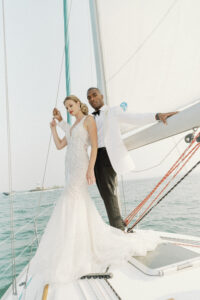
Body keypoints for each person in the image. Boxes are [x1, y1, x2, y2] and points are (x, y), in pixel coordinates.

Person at [28, 95, 160, 297]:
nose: (69, 109)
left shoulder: (88, 120)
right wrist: (54, 127)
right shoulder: (72, 126)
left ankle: (74, 246)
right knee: (76, 203)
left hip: (82, 165)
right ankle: (75, 243)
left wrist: (90, 170)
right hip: (70, 166)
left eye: (71, 105)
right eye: (66, 107)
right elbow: (59, 145)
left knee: (69, 200)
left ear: (79, 104)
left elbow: (95, 147)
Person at [57, 88, 177, 231]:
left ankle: (119, 230)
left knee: (109, 195)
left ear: (101, 96)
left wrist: (157, 116)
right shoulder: (89, 118)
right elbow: (75, 134)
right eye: (89, 97)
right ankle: (119, 225)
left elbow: (134, 118)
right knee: (106, 196)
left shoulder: (113, 112)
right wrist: (60, 122)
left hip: (108, 155)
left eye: (94, 95)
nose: (92, 99)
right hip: (96, 158)